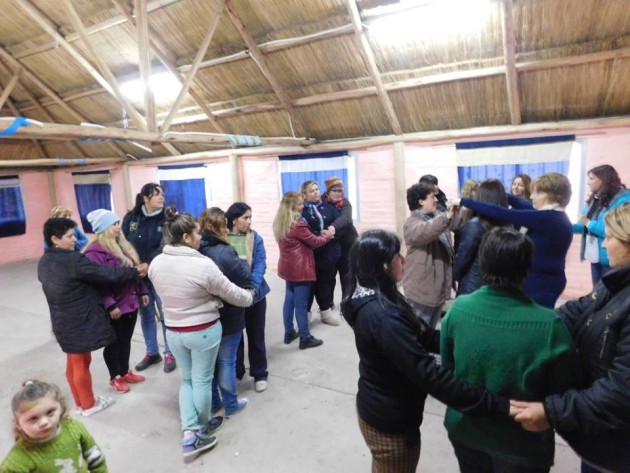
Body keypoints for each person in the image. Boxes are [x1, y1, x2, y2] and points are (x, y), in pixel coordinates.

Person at [341, 229, 510, 473]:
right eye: (398, 256)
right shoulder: (382, 317)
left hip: (380, 403)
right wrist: (495, 404)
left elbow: (423, 335)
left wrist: (469, 342)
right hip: (389, 419)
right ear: (384, 265)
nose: (404, 260)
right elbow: (428, 373)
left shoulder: (378, 293)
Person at [441, 227, 580, 473]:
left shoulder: (458, 309)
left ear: (483, 263)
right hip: (522, 443)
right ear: (527, 269)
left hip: (465, 430)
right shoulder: (549, 326)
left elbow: (449, 369)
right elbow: (564, 390)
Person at [512, 203, 630, 473]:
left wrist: (551, 411)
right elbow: (577, 310)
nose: (603, 245)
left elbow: (621, 391)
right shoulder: (616, 282)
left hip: (619, 443)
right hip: (598, 432)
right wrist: (517, 323)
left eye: (609, 238)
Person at [148, 207, 252, 462]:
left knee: (188, 380)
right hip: (202, 331)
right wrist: (250, 297)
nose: (200, 237)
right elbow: (232, 293)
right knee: (203, 381)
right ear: (185, 237)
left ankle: (189, 430)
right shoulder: (202, 264)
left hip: (173, 332)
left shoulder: (156, 262)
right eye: (196, 233)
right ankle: (202, 428)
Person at [38, 217, 147, 417]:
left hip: (62, 319)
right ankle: (89, 404)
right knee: (81, 362)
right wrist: (133, 272)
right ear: (55, 239)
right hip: (78, 320)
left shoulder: (46, 260)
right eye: (70, 236)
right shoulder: (74, 260)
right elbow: (107, 275)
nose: (75, 240)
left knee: (73, 362)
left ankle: (80, 402)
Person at [460, 173, 573, 308]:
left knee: (532, 322)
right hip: (546, 279)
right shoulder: (556, 216)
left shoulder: (546, 218)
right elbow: (523, 204)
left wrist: (464, 201)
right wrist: (501, 193)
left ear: (550, 195)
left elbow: (503, 213)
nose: (531, 197)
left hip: (541, 283)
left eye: (536, 193)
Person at [83, 209, 148, 394]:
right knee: (113, 343)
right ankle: (115, 377)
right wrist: (110, 304)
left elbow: (135, 271)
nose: (118, 227)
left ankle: (125, 371)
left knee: (125, 339)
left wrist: (142, 290)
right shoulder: (94, 253)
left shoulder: (122, 245)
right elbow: (97, 282)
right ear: (102, 228)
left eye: (118, 223)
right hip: (115, 307)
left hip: (131, 302)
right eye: (114, 224)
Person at [198, 207, 251, 417]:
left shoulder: (197, 248)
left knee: (209, 365)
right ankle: (231, 404)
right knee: (227, 361)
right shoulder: (225, 251)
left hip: (206, 314)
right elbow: (244, 276)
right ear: (222, 225)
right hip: (228, 312)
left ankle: (213, 403)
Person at [122, 182, 176, 373]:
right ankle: (152, 352)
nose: (162, 198)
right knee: (146, 316)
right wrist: (135, 264)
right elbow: (123, 242)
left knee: (166, 314)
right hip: (139, 277)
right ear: (145, 198)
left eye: (162, 194)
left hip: (160, 274)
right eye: (156, 195)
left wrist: (148, 264)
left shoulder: (168, 219)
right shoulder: (131, 217)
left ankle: (171, 353)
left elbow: (166, 245)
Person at [0, 380, 108, 472]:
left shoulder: (74, 427)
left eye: (50, 412)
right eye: (33, 418)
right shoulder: (20, 457)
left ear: (60, 406)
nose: (44, 422)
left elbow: (94, 456)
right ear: (18, 424)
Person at [273, 191, 333, 349]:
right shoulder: (297, 223)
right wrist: (328, 235)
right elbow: (314, 241)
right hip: (300, 269)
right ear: (292, 207)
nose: (303, 206)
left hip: (288, 267)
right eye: (300, 204)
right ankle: (305, 338)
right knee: (301, 305)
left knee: (289, 301)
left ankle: (289, 332)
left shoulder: (281, 221)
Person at [227, 202, 271, 393]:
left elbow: (260, 263)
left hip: (255, 296)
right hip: (231, 296)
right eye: (245, 217)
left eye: (250, 217)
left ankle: (260, 373)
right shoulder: (223, 238)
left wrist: (252, 288)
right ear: (234, 219)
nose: (249, 221)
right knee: (235, 337)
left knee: (256, 335)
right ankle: (237, 371)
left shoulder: (255, 238)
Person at [402, 182, 455, 328]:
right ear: (420, 201)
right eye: (433, 197)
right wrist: (446, 217)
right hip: (421, 291)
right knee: (419, 332)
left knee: (429, 331)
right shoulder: (412, 223)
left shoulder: (437, 217)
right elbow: (425, 231)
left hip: (436, 289)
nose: (437, 200)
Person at [574, 164, 630, 287]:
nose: (588, 183)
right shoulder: (594, 199)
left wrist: (588, 222)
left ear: (604, 179)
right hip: (595, 256)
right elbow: (583, 225)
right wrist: (564, 226)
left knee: (612, 295)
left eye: (591, 178)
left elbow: (617, 230)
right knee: (597, 294)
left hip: (614, 258)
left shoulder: (624, 198)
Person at [453, 180, 509, 296]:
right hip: (498, 288)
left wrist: (453, 277)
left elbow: (462, 259)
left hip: (473, 287)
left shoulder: (475, 225)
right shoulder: (507, 224)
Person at [301, 180, 342, 326]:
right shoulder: (301, 211)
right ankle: (304, 317)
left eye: (317, 189)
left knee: (324, 284)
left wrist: (331, 230)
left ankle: (325, 313)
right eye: (312, 190)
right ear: (304, 195)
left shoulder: (328, 207)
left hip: (327, 254)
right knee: (308, 288)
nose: (316, 192)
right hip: (308, 255)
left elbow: (340, 225)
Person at [322, 176, 359, 303]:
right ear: (328, 192)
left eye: (340, 191)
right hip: (330, 245)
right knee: (329, 275)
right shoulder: (322, 203)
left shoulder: (345, 203)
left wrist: (332, 227)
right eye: (335, 191)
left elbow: (346, 219)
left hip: (347, 244)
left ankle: (346, 302)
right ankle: (329, 302)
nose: (338, 194)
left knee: (347, 274)